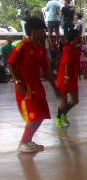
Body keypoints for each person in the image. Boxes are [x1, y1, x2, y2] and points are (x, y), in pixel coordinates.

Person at [7, 18, 58, 153]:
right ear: (34, 31)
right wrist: (18, 81)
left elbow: (46, 71)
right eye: (42, 30)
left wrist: (55, 88)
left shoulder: (40, 48)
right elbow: (10, 64)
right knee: (35, 117)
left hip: (37, 87)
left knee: (41, 116)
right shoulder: (23, 45)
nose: (44, 34)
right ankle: (23, 143)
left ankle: (28, 141)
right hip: (25, 89)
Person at [55, 29, 82, 128]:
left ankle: (63, 114)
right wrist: (66, 77)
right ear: (74, 38)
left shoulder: (76, 49)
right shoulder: (67, 49)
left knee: (75, 100)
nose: (80, 38)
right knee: (64, 101)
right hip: (64, 77)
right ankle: (58, 118)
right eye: (78, 37)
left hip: (73, 77)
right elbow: (66, 64)